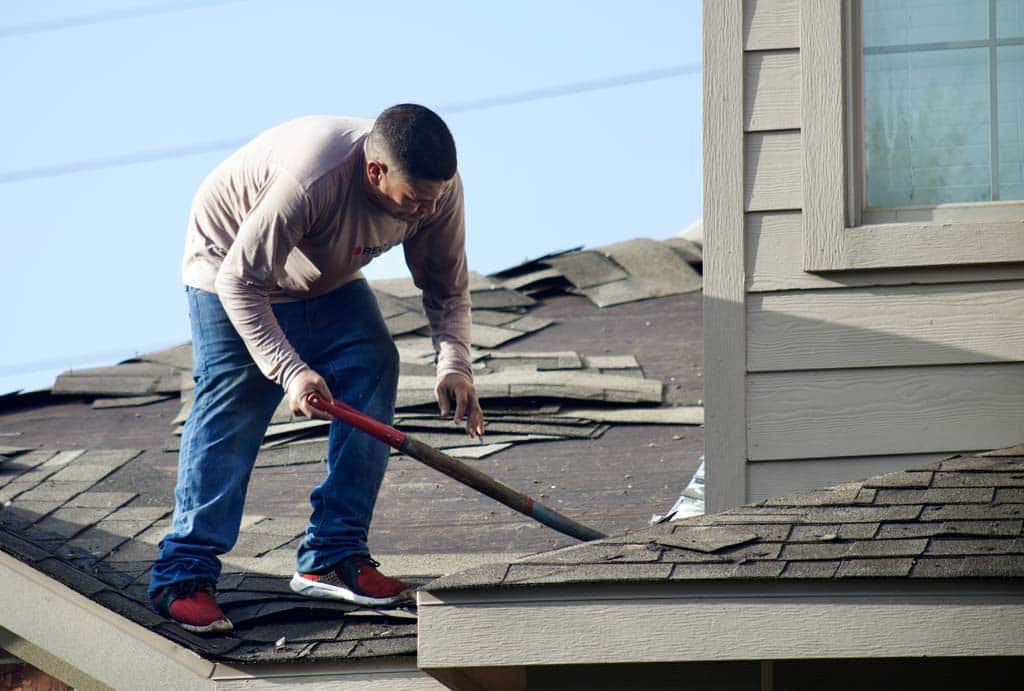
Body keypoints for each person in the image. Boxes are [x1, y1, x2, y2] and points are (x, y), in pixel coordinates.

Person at [147, 104, 485, 634]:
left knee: (373, 362)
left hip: (322, 275)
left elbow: (446, 285)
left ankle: (332, 555)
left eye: (435, 197)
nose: (426, 210)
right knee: (235, 400)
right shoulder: (312, 178)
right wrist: (290, 370)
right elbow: (240, 282)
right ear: (376, 171)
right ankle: (183, 574)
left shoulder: (436, 191)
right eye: (415, 200)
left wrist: (455, 364)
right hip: (230, 267)